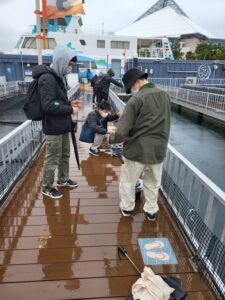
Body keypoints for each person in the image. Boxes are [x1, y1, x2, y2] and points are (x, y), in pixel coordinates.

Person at [109, 68, 171, 221]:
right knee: (153, 183)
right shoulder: (164, 95)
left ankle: (127, 208)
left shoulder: (136, 100)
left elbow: (123, 131)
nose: (131, 91)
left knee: (128, 182)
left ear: (137, 81)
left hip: (137, 150)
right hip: (158, 150)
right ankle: (151, 211)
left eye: (131, 87)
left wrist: (111, 138)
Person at [34, 45, 81, 199]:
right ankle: (46, 187)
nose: (70, 68)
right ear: (61, 61)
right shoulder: (47, 79)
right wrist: (69, 110)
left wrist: (69, 104)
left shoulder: (58, 77)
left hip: (62, 125)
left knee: (64, 155)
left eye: (72, 65)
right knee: (52, 157)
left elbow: (57, 101)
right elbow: (48, 106)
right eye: (69, 64)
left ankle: (63, 179)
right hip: (53, 127)